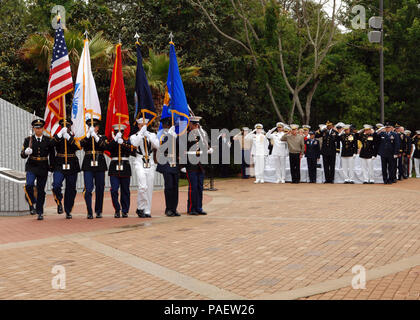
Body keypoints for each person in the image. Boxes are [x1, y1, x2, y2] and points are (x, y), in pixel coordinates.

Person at [21, 119, 55, 220]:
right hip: (32, 165)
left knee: (41, 190)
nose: (38, 130)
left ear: (43, 129)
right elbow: (22, 154)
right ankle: (32, 203)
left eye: (40, 128)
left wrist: (51, 168)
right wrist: (25, 152)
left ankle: (40, 211)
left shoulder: (48, 140)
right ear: (33, 129)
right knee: (29, 185)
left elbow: (52, 155)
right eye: (36, 128)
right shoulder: (28, 140)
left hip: (43, 166)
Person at [51, 118, 81, 220]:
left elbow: (78, 146)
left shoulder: (74, 136)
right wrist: (60, 135)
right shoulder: (57, 136)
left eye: (67, 127)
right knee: (56, 184)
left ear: (70, 127)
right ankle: (59, 202)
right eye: (64, 127)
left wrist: (68, 137)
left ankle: (68, 210)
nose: (66, 128)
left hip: (72, 163)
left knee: (71, 188)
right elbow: (51, 145)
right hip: (59, 163)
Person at [130, 118, 159, 218]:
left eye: (144, 125)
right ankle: (140, 207)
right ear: (138, 125)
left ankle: (147, 209)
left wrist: (148, 136)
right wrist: (141, 134)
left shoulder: (152, 135)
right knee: (143, 186)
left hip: (150, 162)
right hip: (139, 161)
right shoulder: (134, 136)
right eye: (140, 125)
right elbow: (134, 144)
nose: (142, 126)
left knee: (149, 187)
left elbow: (157, 146)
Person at [80, 118, 108, 219]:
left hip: (99, 163)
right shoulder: (86, 138)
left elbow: (104, 146)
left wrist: (95, 137)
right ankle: (89, 210)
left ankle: (99, 210)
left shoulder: (102, 137)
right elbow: (81, 145)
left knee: (100, 188)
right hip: (88, 163)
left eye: (95, 126)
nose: (93, 128)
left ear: (97, 128)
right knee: (88, 188)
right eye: (91, 127)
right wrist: (88, 135)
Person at [185, 116, 213, 215]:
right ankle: (191, 208)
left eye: (197, 125)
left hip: (200, 164)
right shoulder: (186, 135)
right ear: (190, 125)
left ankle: (199, 207)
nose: (196, 126)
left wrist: (208, 150)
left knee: (200, 187)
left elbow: (206, 145)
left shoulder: (202, 135)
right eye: (195, 125)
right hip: (191, 164)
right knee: (193, 187)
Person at [107, 124, 135, 218]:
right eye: (116, 132)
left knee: (125, 190)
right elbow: (108, 148)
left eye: (121, 132)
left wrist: (122, 143)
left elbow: (132, 151)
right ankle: (117, 209)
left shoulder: (127, 141)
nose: (119, 133)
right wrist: (115, 141)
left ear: (123, 132)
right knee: (114, 190)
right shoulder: (112, 141)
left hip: (125, 166)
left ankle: (125, 210)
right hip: (114, 166)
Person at [156, 117, 181, 217]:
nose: (168, 126)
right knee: (169, 186)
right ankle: (168, 209)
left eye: (170, 125)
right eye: (167, 124)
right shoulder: (161, 135)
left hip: (174, 163)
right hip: (166, 163)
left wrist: (176, 137)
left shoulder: (175, 135)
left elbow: (180, 147)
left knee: (175, 187)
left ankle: (174, 208)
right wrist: (170, 136)